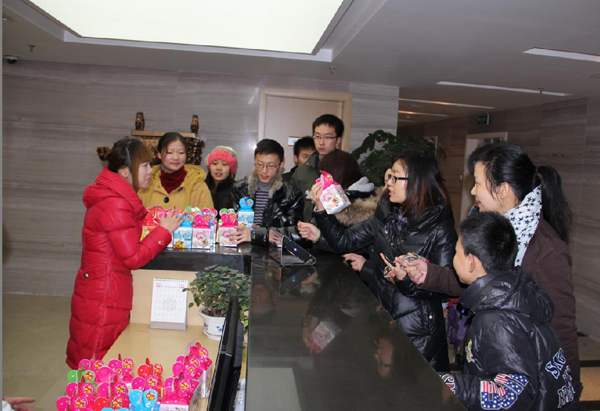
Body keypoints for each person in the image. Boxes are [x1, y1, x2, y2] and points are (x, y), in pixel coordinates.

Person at [404, 141, 581, 395]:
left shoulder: (546, 251)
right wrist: (428, 273)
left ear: (503, 190)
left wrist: (569, 390)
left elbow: (562, 328)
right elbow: (475, 280)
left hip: (524, 378)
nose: (473, 191)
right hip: (487, 359)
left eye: (477, 183)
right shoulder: (492, 227)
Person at [300, 152, 457, 371]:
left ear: (417, 182)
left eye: (395, 177)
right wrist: (322, 211)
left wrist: (406, 281)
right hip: (381, 317)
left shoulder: (439, 226)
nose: (389, 183)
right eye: (389, 176)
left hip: (417, 330)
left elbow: (448, 286)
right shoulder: (387, 213)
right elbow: (346, 241)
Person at [439, 212, 576, 411]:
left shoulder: (496, 320)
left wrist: (453, 385)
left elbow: (513, 393)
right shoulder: (516, 290)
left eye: (456, 252)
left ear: (471, 262)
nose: (453, 259)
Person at [66, 139, 183, 368]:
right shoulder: (116, 204)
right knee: (98, 364)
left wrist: (142, 215)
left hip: (98, 288)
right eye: (145, 165)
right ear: (125, 171)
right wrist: (163, 231)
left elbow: (118, 234)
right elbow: (133, 257)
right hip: (106, 296)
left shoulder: (112, 196)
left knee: (92, 363)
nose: (150, 171)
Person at [230, 139, 304, 246]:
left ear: (281, 164)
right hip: (242, 247)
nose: (264, 170)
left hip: (273, 251)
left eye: (270, 166)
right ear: (254, 161)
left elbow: (297, 233)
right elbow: (228, 222)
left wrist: (256, 234)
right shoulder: (239, 189)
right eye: (260, 164)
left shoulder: (292, 195)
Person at [138, 132, 214, 210]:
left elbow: (208, 215)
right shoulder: (147, 182)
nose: (176, 157)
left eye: (181, 153)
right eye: (169, 152)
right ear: (159, 154)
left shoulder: (198, 185)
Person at [292, 114, 345, 220]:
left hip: (339, 228)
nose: (321, 142)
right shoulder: (302, 171)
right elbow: (293, 208)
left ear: (338, 140)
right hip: (307, 228)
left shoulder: (348, 168)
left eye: (327, 137)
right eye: (317, 136)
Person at [205, 145, 238, 210]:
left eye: (224, 164)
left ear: (231, 169)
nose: (219, 168)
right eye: (215, 163)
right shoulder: (201, 187)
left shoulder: (236, 190)